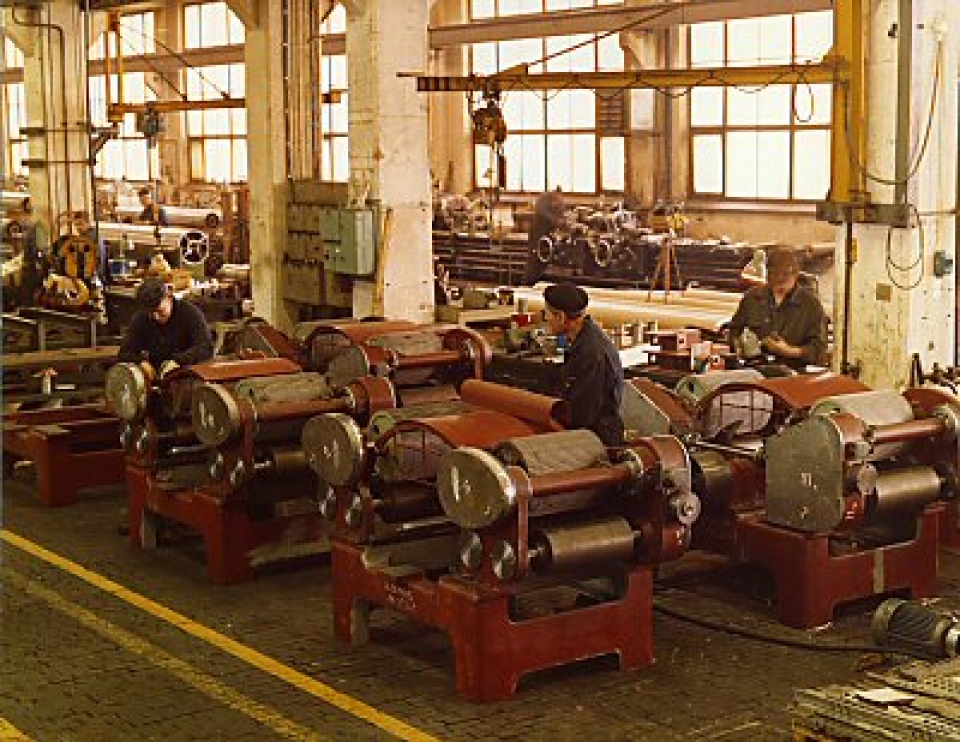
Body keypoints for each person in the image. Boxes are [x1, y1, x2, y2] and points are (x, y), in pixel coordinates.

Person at [543, 282, 625, 446]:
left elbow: (582, 415)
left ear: (561, 317)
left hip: (597, 439)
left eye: (547, 314)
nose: (546, 319)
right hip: (591, 429)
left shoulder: (591, 354)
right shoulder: (585, 339)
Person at [729, 247, 828, 369]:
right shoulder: (752, 298)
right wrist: (740, 347)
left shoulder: (811, 305)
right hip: (755, 369)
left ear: (795, 274)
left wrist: (789, 351)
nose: (779, 280)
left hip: (794, 372)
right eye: (775, 275)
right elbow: (734, 330)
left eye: (785, 276)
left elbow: (819, 351)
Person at [117, 277, 213, 377]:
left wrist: (178, 361)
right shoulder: (142, 317)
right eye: (150, 313)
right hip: (156, 373)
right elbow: (125, 352)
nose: (156, 317)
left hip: (185, 372)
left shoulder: (190, 313)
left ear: (169, 297)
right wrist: (141, 362)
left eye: (160, 311)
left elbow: (205, 348)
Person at [523, 187, 566, 286]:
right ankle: (529, 282)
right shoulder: (544, 200)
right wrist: (556, 221)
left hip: (548, 234)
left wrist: (561, 221)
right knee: (535, 260)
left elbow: (560, 214)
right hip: (539, 234)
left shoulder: (556, 201)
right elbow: (542, 212)